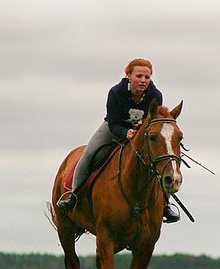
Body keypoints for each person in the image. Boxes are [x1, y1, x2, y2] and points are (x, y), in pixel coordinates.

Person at [57, 58, 180, 223]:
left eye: (147, 77)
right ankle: (73, 195)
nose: (143, 81)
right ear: (128, 75)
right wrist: (125, 133)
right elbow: (113, 123)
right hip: (113, 128)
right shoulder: (115, 92)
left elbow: (154, 122)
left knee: (157, 160)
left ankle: (165, 203)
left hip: (141, 133)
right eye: (139, 76)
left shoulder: (155, 95)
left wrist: (141, 127)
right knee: (89, 153)